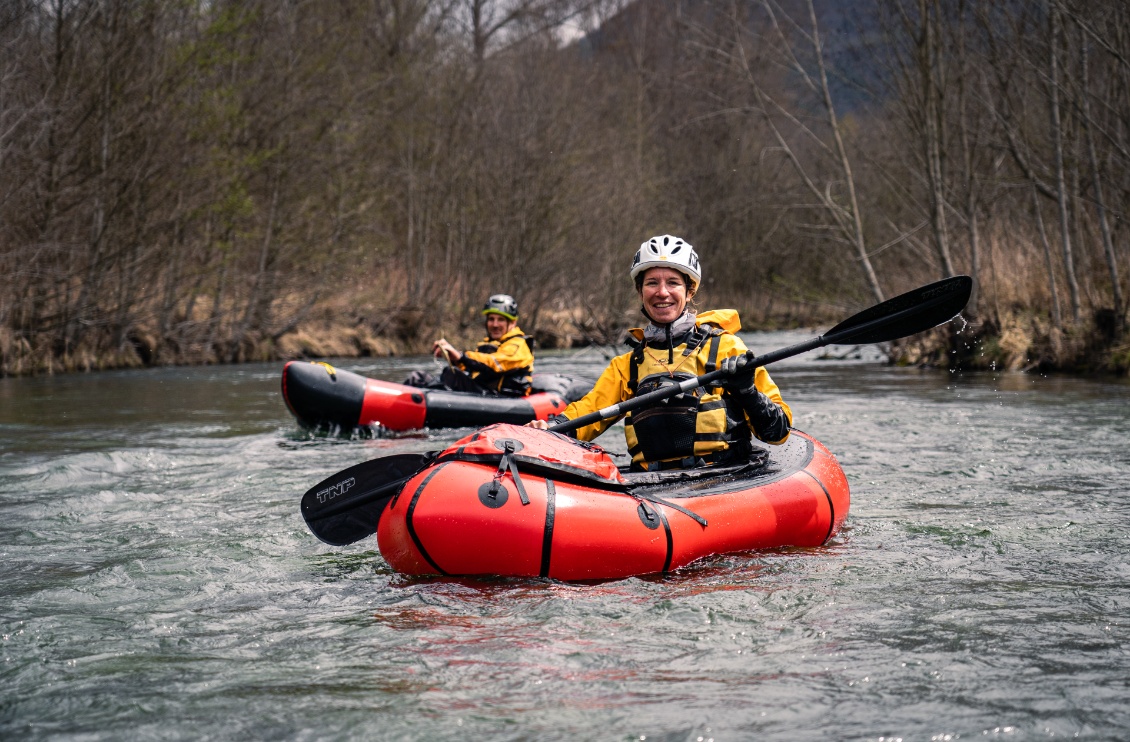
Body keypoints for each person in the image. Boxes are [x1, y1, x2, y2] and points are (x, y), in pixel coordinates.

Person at [528, 235, 791, 472]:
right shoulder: (629, 365)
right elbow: (587, 414)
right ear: (640, 291)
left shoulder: (727, 348)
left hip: (724, 477)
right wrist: (549, 429)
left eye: (673, 283)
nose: (662, 292)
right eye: (652, 283)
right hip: (655, 487)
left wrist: (747, 391)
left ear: (689, 291)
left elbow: (778, 433)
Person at [404, 294, 534, 396]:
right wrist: (454, 359)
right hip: (482, 391)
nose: (495, 325)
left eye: (500, 320)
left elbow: (493, 363)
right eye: (491, 319)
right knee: (418, 378)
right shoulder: (488, 344)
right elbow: (473, 370)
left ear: (512, 323)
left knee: (451, 375)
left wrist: (461, 356)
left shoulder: (518, 345)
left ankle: (423, 402)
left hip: (500, 398)